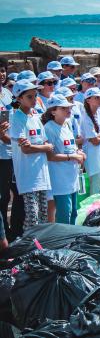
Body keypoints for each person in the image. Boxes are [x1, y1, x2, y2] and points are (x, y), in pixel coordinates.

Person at [10, 81, 53, 231]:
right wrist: (45, 147)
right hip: (27, 175)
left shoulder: (36, 116)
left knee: (42, 214)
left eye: (35, 96)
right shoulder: (16, 118)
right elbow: (26, 149)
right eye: (29, 97)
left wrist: (43, 146)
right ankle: (29, 247)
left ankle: (38, 247)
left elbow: (46, 142)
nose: (34, 99)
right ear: (19, 99)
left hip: (41, 172)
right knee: (32, 216)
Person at [42, 95, 84, 224]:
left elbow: (71, 147)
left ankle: (71, 241)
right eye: (63, 108)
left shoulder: (67, 125)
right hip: (60, 180)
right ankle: (63, 242)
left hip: (72, 177)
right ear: (53, 111)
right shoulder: (49, 128)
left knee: (74, 212)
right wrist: (72, 156)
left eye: (69, 107)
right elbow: (50, 156)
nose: (68, 109)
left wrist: (79, 152)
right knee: (65, 213)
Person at [0, 62, 23, 241]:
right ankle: (5, 234)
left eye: (2, 71)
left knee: (19, 192)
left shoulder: (8, 93)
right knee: (4, 195)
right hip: (1, 155)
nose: (1, 74)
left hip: (13, 151)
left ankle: (15, 230)